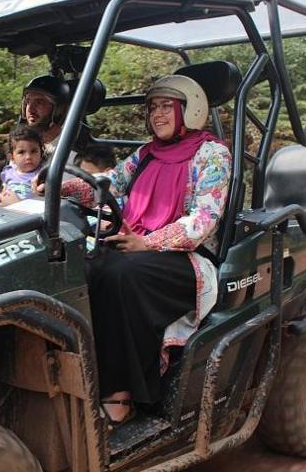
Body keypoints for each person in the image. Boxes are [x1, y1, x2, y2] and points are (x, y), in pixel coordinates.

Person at [37, 75, 232, 429]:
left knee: (119, 276)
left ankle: (121, 394)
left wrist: (150, 242)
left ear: (189, 110)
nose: (157, 115)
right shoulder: (146, 153)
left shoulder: (213, 153)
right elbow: (110, 184)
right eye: (152, 107)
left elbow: (205, 218)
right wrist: (58, 186)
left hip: (184, 254)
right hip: (136, 241)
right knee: (80, 264)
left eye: (165, 107)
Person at [0, 124, 45, 207]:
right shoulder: (8, 172)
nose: (28, 157)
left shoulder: (42, 174)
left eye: (33, 151)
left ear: (41, 153)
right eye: (21, 152)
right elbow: (4, 192)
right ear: (12, 157)